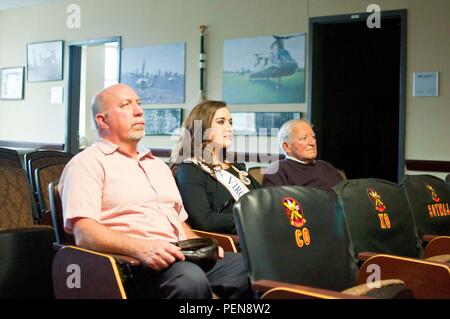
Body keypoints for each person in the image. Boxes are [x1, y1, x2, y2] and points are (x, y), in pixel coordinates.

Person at [59, 84, 251, 299]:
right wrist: (142, 248)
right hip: (132, 263)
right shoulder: (87, 163)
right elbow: (84, 233)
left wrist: (200, 245)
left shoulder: (157, 166)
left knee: (247, 268)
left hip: (178, 253)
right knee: (190, 279)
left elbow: (179, 222)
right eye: (126, 105)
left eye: (139, 104)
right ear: (102, 121)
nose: (139, 111)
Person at [170, 100, 259, 234]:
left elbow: (263, 198)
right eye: (221, 122)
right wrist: (253, 219)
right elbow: (205, 220)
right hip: (232, 243)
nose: (229, 128)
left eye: (230, 122)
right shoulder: (190, 169)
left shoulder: (236, 166)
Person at [263, 119, 343, 190]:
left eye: (313, 137)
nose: (312, 142)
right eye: (304, 138)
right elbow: (275, 203)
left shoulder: (326, 166)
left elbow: (346, 194)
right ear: (287, 147)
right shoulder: (277, 171)